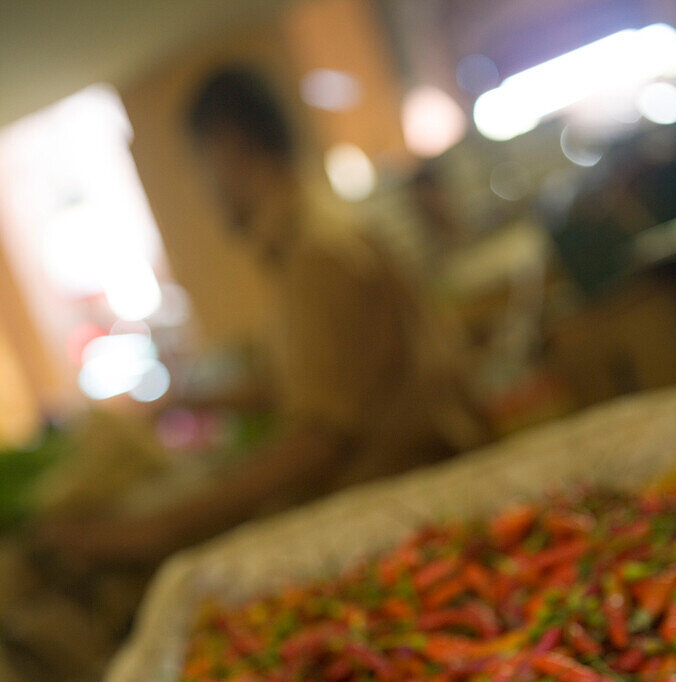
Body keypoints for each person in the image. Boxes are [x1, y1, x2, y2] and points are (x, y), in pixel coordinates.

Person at [38, 66, 472, 567]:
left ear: (229, 147)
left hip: (407, 518)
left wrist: (156, 530)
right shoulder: (315, 238)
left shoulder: (317, 256)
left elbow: (319, 441)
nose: (206, 187)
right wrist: (186, 402)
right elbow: (311, 384)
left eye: (202, 166)